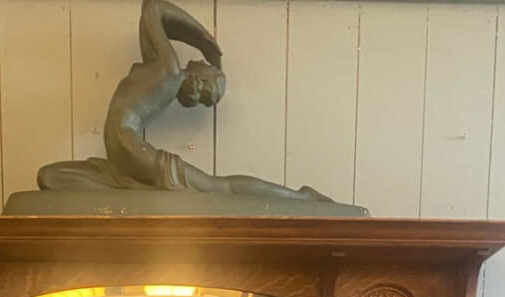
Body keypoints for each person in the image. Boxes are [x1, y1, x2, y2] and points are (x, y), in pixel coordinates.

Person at [38, 0, 333, 202]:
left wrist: (203, 41)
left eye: (211, 70)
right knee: (50, 176)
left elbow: (153, 7)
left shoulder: (167, 71)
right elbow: (152, 13)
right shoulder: (160, 71)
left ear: (201, 78)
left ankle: (300, 197)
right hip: (123, 158)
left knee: (221, 189)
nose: (204, 62)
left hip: (134, 153)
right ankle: (137, 197)